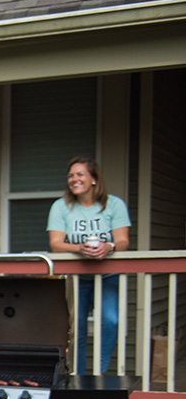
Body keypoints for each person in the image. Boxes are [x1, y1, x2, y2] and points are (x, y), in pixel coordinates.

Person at [46, 156, 130, 373]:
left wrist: (108, 246)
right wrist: (79, 249)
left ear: (93, 179)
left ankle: (98, 374)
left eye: (80, 174)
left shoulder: (114, 204)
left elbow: (123, 241)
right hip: (76, 279)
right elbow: (56, 244)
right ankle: (80, 380)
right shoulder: (61, 207)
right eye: (71, 175)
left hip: (107, 275)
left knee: (110, 322)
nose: (74, 179)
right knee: (77, 330)